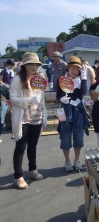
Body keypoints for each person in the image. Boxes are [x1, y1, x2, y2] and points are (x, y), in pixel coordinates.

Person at [10, 52, 48, 189]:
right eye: (31, 64)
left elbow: (42, 97)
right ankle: (18, 176)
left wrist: (44, 113)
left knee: (33, 145)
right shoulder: (17, 80)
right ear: (25, 65)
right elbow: (12, 98)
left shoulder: (40, 78)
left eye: (36, 64)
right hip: (23, 118)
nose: (34, 67)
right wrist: (29, 100)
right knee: (21, 147)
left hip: (36, 117)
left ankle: (32, 169)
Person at [56, 56, 90, 172]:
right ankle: (67, 161)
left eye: (77, 69)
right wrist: (62, 99)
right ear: (68, 68)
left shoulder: (80, 81)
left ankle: (76, 160)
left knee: (78, 136)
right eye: (72, 68)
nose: (74, 71)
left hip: (78, 111)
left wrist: (84, 78)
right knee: (65, 136)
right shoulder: (61, 80)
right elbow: (58, 96)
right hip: (65, 110)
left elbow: (84, 92)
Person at [0, 73, 10, 143]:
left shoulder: (4, 87)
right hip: (2, 107)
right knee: (1, 121)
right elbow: (9, 98)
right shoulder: (5, 87)